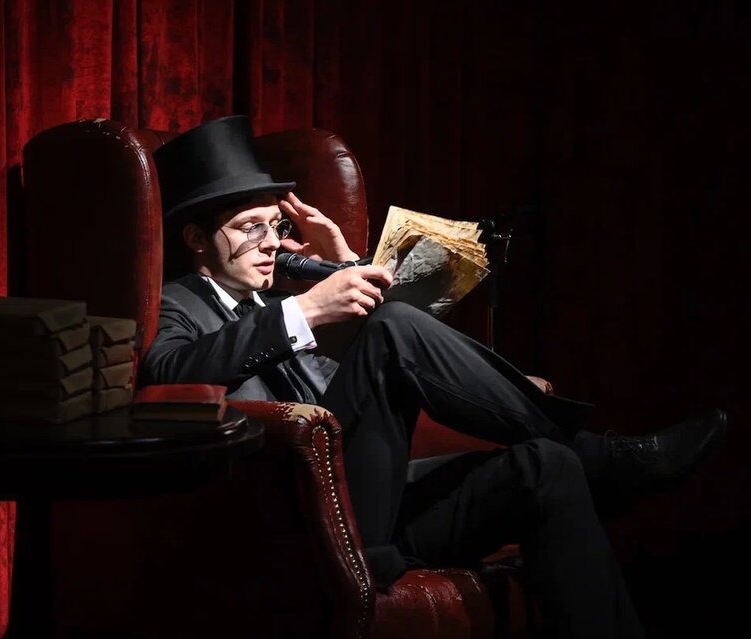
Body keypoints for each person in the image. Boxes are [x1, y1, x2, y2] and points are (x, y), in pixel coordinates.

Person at [139, 115, 728, 639]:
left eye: (275, 226)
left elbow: (377, 376)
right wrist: (306, 309)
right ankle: (603, 456)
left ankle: (582, 464)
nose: (271, 243)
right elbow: (167, 371)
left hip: (375, 502)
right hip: (303, 519)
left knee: (546, 467)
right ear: (195, 239)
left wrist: (343, 261)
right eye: (250, 227)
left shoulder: (276, 303)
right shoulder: (177, 303)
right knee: (393, 329)